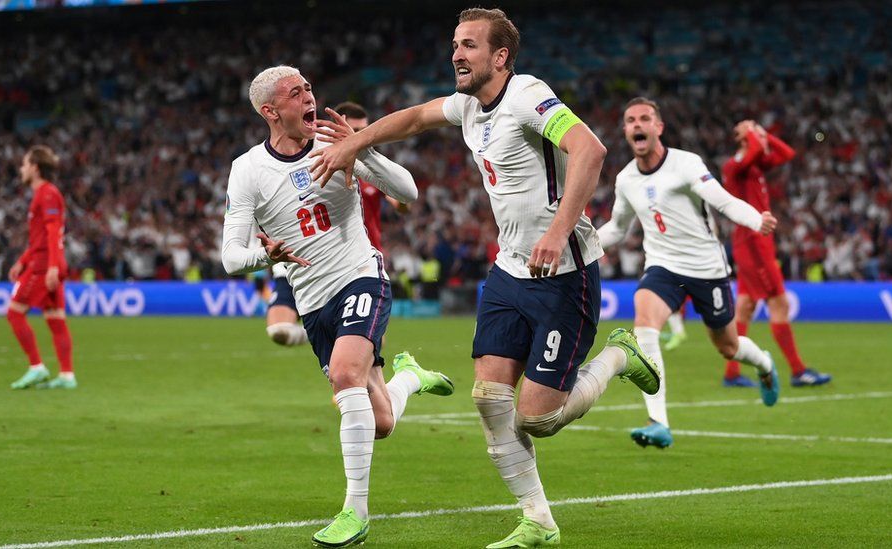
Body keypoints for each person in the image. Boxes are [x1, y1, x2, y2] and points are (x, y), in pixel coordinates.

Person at [309, 9, 660, 547]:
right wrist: (356, 143)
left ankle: (618, 356)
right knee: (490, 398)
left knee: (538, 418)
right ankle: (538, 520)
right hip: (509, 271)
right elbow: (413, 118)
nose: (456, 54)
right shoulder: (469, 105)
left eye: (468, 45)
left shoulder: (527, 95)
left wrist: (557, 229)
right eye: (455, 44)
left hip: (565, 272)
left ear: (499, 56)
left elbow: (590, 149)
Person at [222, 65, 454, 548]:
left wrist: (361, 146)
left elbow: (408, 193)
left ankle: (355, 511)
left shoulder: (337, 144)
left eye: (308, 86)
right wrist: (267, 255)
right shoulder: (248, 170)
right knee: (382, 422)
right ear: (270, 111)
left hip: (360, 276)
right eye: (295, 93)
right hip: (312, 301)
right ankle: (410, 376)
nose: (309, 96)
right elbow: (230, 257)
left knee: (347, 375)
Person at [597, 97, 780, 450]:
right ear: (625, 131)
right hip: (663, 266)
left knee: (727, 347)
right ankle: (658, 422)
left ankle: (764, 363)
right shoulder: (626, 180)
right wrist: (576, 245)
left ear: (658, 127)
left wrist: (757, 219)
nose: (638, 124)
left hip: (706, 268)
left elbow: (722, 201)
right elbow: (617, 230)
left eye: (645, 118)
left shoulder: (685, 164)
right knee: (644, 324)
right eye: (631, 120)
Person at [265, 101, 407, 348]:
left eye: (364, 129)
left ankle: (403, 380)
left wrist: (399, 196)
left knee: (370, 347)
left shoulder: (368, 164)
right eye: (354, 128)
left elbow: (403, 202)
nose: (359, 136)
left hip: (360, 261)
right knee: (280, 331)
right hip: (311, 258)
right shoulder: (314, 158)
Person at [721, 121, 832, 387]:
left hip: (756, 241)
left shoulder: (754, 165)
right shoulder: (735, 166)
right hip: (752, 242)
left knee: (745, 308)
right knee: (779, 303)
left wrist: (764, 133)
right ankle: (798, 371)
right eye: (750, 128)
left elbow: (787, 154)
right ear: (740, 137)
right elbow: (757, 147)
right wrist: (754, 133)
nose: (757, 131)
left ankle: (732, 373)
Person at [6, 145, 77, 390]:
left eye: (25, 164)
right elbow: (39, 238)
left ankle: (36, 367)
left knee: (14, 314)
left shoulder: (46, 194)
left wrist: (52, 267)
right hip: (44, 263)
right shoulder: (44, 194)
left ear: (35, 168)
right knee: (56, 319)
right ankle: (67, 375)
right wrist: (22, 260)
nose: (22, 168)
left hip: (44, 266)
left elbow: (53, 231)